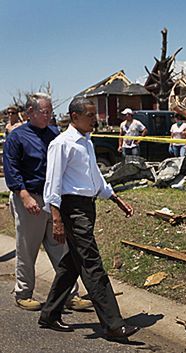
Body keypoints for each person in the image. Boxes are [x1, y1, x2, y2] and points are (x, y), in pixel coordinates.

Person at [39, 97, 139, 339]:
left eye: (95, 115)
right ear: (75, 117)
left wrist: (115, 199)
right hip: (72, 209)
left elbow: (95, 177)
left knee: (72, 263)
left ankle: (50, 314)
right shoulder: (61, 143)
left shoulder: (87, 142)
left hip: (87, 207)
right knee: (91, 263)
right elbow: (53, 183)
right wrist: (57, 217)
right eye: (91, 116)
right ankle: (113, 324)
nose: (96, 120)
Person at [3, 93, 92, 311]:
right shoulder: (17, 137)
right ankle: (23, 293)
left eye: (50, 112)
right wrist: (24, 196)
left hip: (53, 199)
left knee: (60, 248)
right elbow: (11, 169)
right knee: (27, 248)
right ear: (30, 113)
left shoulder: (53, 133)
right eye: (45, 112)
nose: (49, 116)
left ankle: (70, 294)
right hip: (30, 199)